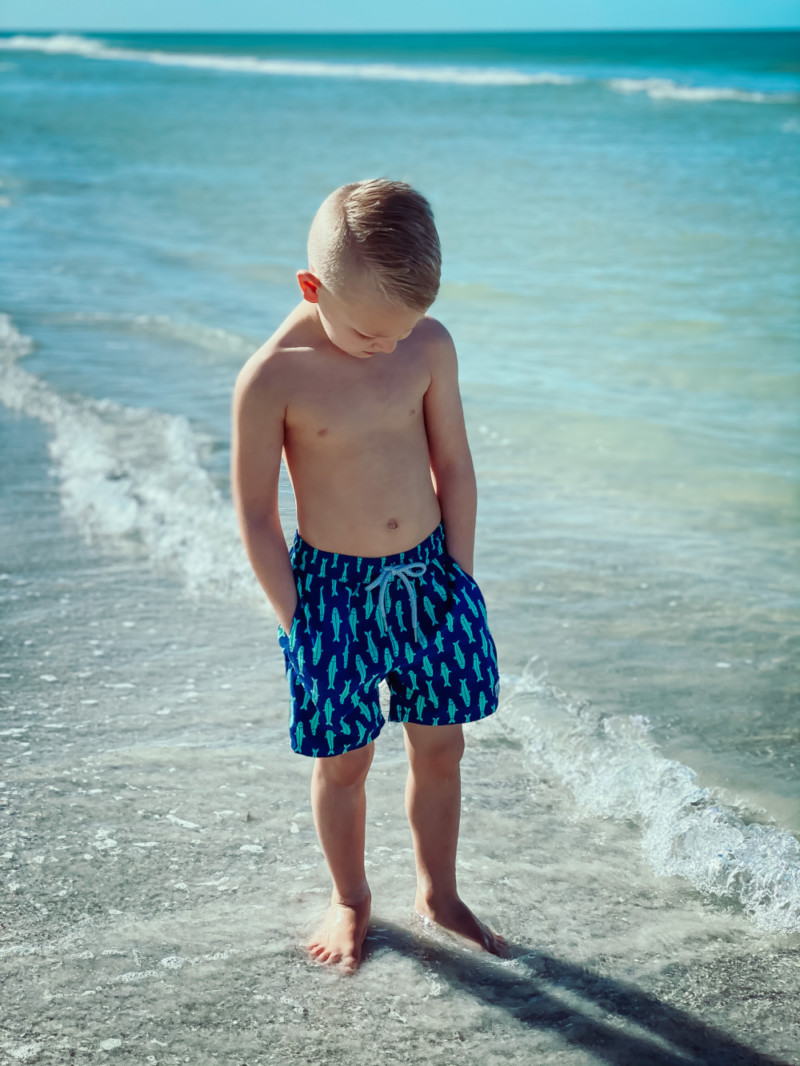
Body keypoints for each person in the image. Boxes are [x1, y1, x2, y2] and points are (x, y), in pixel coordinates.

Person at [231, 179, 503, 974]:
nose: (389, 347)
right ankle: (351, 895)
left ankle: (438, 890)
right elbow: (254, 513)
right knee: (345, 759)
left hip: (429, 580)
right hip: (330, 595)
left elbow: (453, 466)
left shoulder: (427, 345)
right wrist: (296, 618)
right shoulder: (272, 377)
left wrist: (460, 577)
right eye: (369, 334)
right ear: (311, 288)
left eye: (403, 330)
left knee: (441, 745)